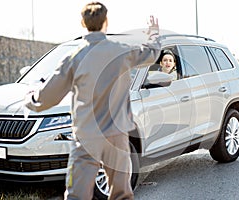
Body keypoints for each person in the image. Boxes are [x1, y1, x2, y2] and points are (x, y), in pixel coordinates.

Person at [25, 2, 160, 200]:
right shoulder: (122, 51)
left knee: (77, 195)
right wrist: (153, 33)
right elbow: (151, 53)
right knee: (122, 194)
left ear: (83, 23)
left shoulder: (73, 57)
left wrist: (31, 98)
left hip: (87, 138)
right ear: (106, 21)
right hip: (117, 136)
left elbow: (47, 98)